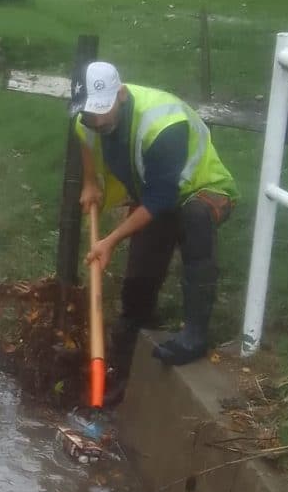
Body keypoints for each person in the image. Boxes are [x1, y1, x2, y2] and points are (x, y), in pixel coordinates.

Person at [72, 62, 238, 405]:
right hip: (155, 193)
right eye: (93, 115)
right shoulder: (88, 119)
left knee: (193, 218)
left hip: (203, 190)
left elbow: (161, 199)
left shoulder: (163, 125)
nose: (99, 122)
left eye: (105, 113)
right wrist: (90, 181)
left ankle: (194, 334)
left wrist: (110, 240)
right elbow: (85, 137)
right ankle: (126, 359)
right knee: (140, 275)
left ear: (121, 94)